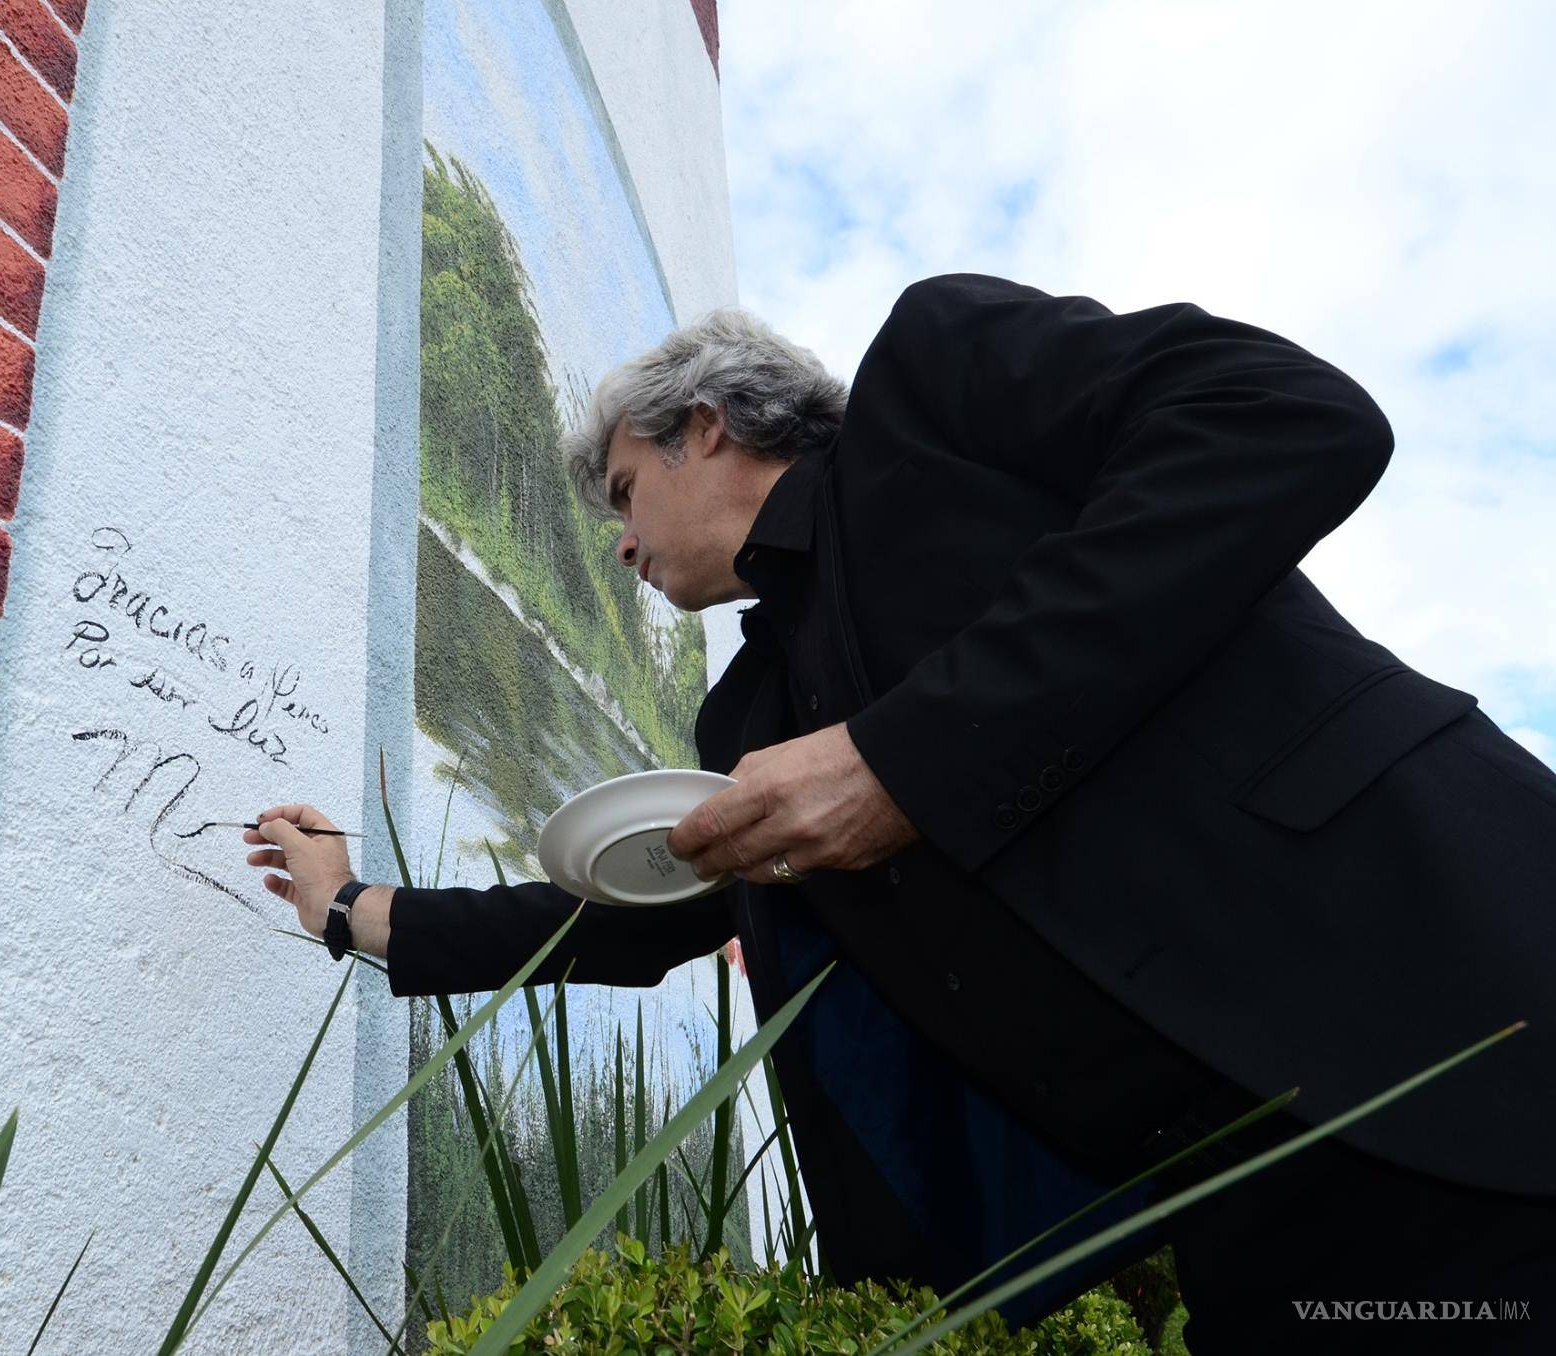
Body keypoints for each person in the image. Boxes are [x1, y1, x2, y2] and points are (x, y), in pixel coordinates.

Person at [247, 274, 1556, 1352]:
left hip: (1465, 1006)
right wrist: (355, 906)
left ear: (703, 425)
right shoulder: (744, 726)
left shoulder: (940, 383)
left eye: (623, 494)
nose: (619, 545)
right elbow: (637, 921)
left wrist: (905, 760)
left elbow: (1285, 416)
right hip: (1241, 1205)